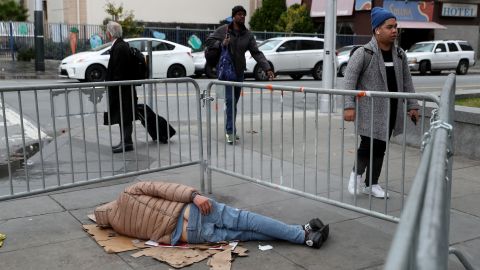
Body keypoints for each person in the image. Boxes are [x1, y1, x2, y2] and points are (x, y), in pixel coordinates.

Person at [95, 181, 330, 249]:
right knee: (249, 221)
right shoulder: (127, 194)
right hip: (194, 213)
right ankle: (302, 233)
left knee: (248, 233)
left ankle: (305, 235)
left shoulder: (120, 226)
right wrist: (194, 196)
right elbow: (165, 189)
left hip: (192, 236)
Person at [343, 7, 419, 198]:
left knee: (381, 147)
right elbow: (349, 80)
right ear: (377, 29)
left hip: (392, 109)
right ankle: (356, 175)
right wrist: (349, 105)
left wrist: (412, 106)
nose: (395, 30)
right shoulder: (364, 53)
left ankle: (372, 184)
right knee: (368, 144)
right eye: (389, 27)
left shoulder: (400, 54)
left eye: (396, 27)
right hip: (370, 110)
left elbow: (407, 82)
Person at [206, 5, 274, 144]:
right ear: (233, 16)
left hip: (238, 73)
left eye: (244, 14)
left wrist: (267, 68)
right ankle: (230, 131)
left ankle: (230, 129)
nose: (242, 16)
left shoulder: (248, 35)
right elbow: (209, 40)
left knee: (233, 103)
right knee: (230, 102)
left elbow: (256, 53)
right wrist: (221, 44)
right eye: (239, 14)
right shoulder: (224, 30)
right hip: (226, 73)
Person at [103, 21, 137, 154]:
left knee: (125, 116)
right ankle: (125, 141)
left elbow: (120, 70)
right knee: (123, 116)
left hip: (122, 89)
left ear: (110, 33)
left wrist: (113, 85)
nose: (106, 33)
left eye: (107, 31)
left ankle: (127, 142)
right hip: (121, 89)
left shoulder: (120, 47)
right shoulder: (120, 45)